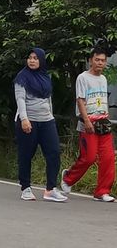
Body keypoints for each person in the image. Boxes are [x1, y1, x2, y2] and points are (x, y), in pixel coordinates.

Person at [61, 47, 115, 202]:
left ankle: (102, 191)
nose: (100, 63)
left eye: (103, 60)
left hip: (103, 122)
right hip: (88, 122)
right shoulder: (83, 78)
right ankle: (68, 178)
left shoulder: (103, 79)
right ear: (91, 60)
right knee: (89, 157)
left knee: (108, 158)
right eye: (97, 60)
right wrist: (86, 120)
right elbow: (80, 100)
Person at [13, 49, 67, 202]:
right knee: (26, 155)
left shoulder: (46, 77)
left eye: (36, 58)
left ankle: (50, 189)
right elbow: (20, 99)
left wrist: (51, 116)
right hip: (28, 120)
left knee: (54, 152)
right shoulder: (21, 78)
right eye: (30, 58)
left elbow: (48, 99)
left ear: (41, 61)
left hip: (46, 120)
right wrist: (24, 119)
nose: (32, 61)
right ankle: (26, 188)